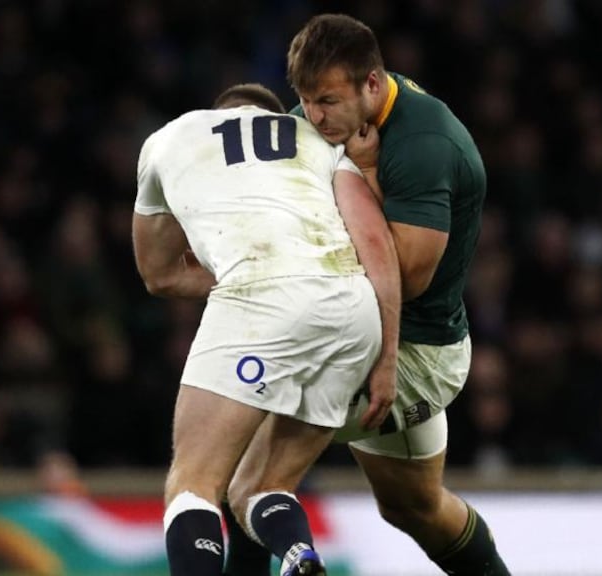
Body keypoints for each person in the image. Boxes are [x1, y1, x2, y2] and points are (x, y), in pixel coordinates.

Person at [222, 14, 511, 576]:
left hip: (414, 353)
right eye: (305, 100)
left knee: (248, 478)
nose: (313, 116)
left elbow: (407, 273)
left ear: (372, 85)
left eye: (327, 100)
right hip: (355, 331)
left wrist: (369, 172)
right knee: (416, 507)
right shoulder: (326, 119)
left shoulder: (424, 144)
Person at [133, 83, 401, 576]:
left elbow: (158, 273)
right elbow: (374, 241)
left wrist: (238, 272)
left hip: (262, 296)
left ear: (220, 115)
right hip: (355, 311)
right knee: (260, 488)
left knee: (193, 485)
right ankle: (299, 553)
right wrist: (386, 360)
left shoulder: (171, 138)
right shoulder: (320, 140)